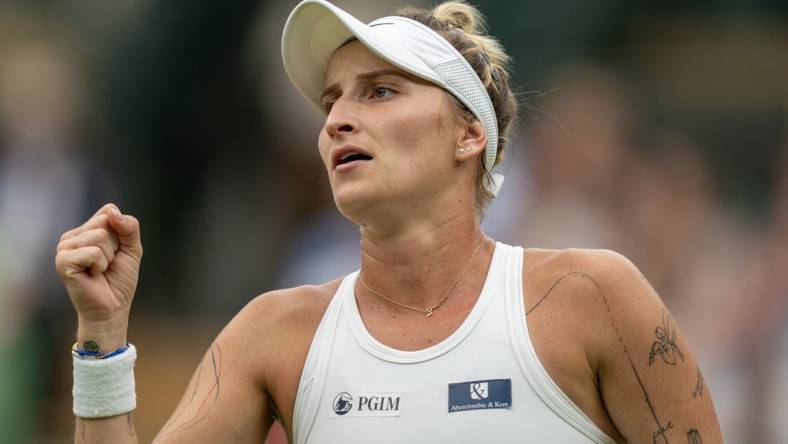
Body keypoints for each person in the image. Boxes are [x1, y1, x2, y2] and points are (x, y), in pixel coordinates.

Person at [55, 1, 723, 442]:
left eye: (379, 91)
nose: (339, 118)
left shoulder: (593, 297)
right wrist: (102, 338)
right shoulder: (272, 333)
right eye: (331, 100)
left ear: (469, 135)